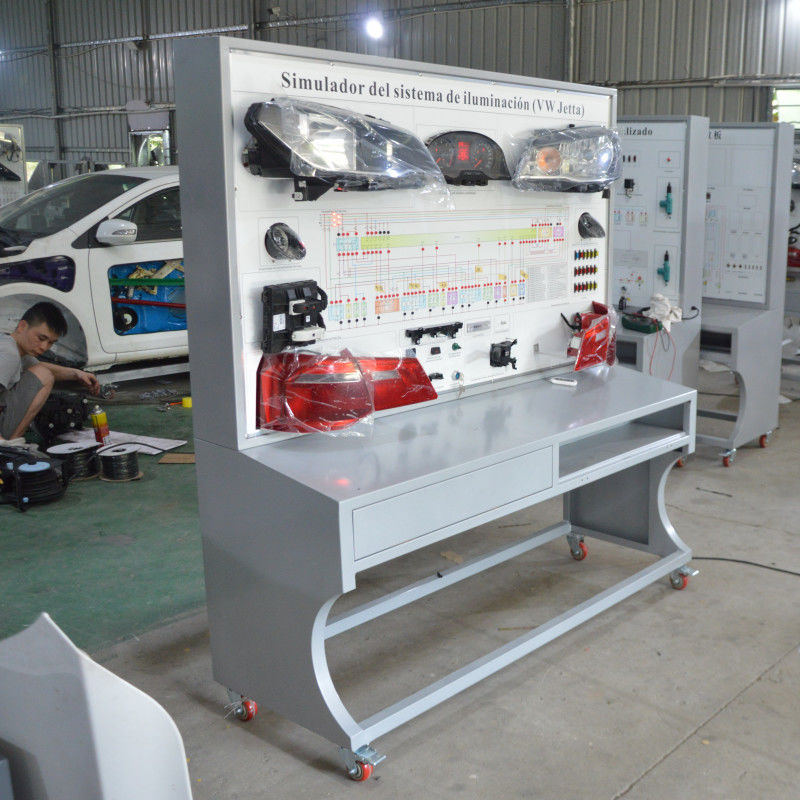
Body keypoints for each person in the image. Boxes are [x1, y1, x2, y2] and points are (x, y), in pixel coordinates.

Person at [0, 302, 100, 441]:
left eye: (50, 342)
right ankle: (11, 443)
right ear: (22, 326)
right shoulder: (9, 354)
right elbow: (42, 373)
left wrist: (77, 373)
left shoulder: (9, 345)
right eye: (41, 338)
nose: (44, 347)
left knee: (43, 372)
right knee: (44, 376)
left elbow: (39, 366)